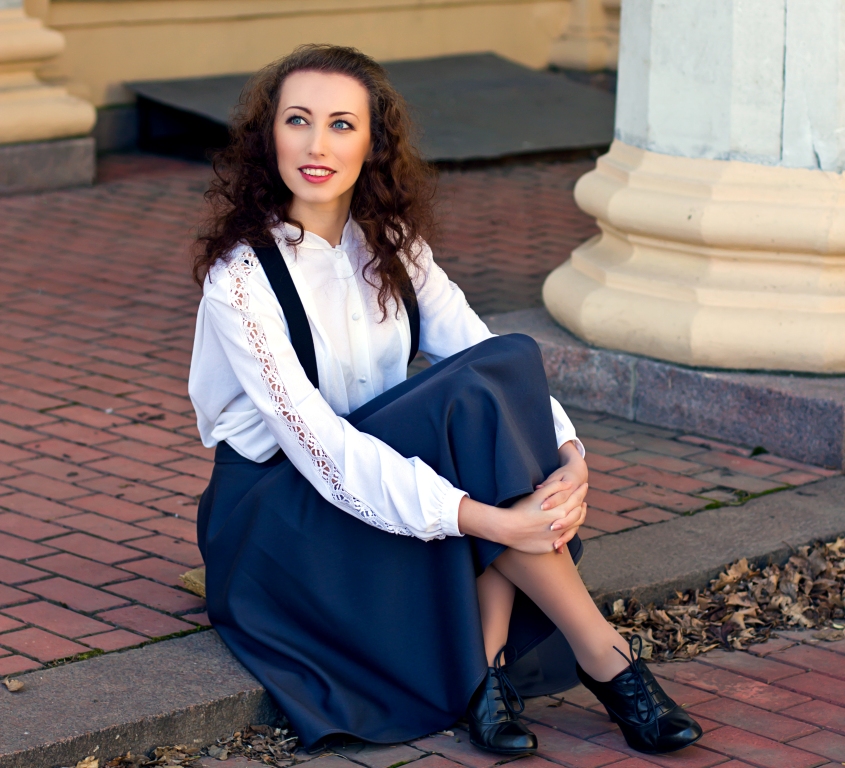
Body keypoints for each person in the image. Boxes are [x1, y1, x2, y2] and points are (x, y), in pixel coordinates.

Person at [188, 43, 701, 758]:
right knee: (472, 428)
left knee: (490, 377)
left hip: (376, 472)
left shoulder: (392, 245)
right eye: (296, 120)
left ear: (372, 144)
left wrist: (569, 455)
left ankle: (484, 673)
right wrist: (491, 519)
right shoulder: (240, 279)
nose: (315, 145)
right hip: (277, 512)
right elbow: (322, 449)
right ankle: (605, 658)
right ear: (267, 136)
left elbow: (489, 358)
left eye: (341, 125)